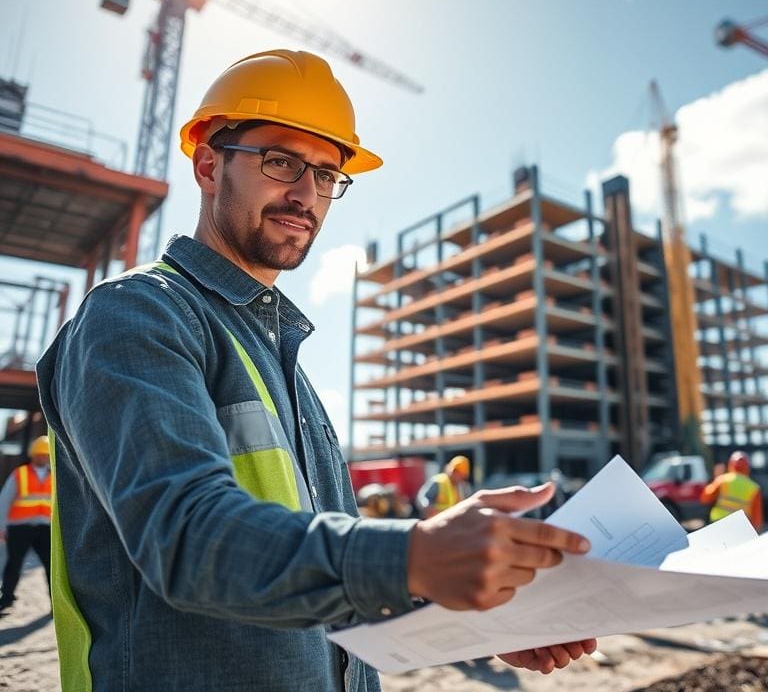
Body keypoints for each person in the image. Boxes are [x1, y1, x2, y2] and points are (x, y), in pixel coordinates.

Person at [36, 49, 596, 690]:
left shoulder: (284, 363)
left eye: (328, 175)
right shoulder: (137, 316)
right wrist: (414, 554)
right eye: (281, 161)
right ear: (208, 164)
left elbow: (317, 566)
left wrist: (480, 605)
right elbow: (186, 538)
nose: (307, 194)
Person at [0, 435, 52, 615]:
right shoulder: (20, 474)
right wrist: (1, 526)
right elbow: (4, 501)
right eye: (42, 454)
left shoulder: (54, 477)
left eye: (47, 454)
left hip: (45, 528)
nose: (44, 457)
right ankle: (6, 599)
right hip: (19, 528)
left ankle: (57, 604)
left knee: (51, 565)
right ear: (33, 455)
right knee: (14, 563)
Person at [700, 450, 763, 531]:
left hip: (718, 523)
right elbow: (757, 518)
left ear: (730, 465)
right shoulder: (754, 488)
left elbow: (705, 498)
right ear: (747, 468)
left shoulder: (722, 480)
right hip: (740, 527)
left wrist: (715, 478)